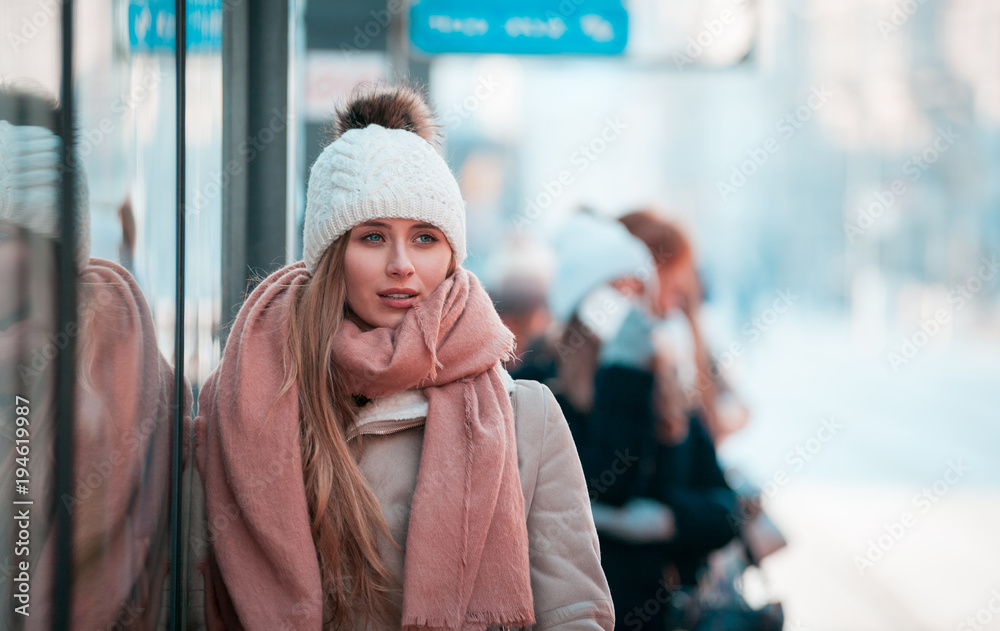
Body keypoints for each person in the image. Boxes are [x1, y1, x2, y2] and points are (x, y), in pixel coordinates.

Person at [193, 84, 613, 631]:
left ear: (451, 255)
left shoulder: (525, 418)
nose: (401, 265)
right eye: (372, 237)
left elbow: (574, 614)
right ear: (331, 256)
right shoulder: (252, 405)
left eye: (424, 238)